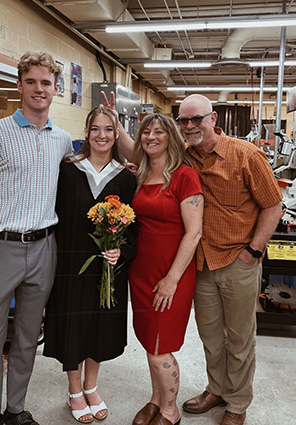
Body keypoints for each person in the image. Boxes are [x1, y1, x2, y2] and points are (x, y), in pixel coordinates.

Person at [102, 92, 282, 425]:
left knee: (239, 338)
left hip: (237, 259)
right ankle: (217, 389)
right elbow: (143, 150)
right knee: (212, 337)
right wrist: (114, 120)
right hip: (200, 263)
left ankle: (237, 403)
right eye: (184, 120)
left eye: (196, 119)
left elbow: (273, 205)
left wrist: (253, 251)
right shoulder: (185, 156)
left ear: (213, 119)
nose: (189, 125)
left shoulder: (246, 155)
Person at [0, 51, 73, 425]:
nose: (39, 89)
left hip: (44, 248)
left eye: (46, 83)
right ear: (19, 85)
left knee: (27, 336)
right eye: (31, 82)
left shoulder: (63, 141)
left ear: (56, 89)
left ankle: (15, 410)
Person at [103, 107, 203, 425]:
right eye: (146, 131)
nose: (151, 137)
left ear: (170, 137)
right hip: (142, 272)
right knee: (149, 340)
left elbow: (194, 232)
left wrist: (172, 279)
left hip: (171, 273)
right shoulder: (142, 174)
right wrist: (117, 127)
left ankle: (170, 411)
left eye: (159, 131)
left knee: (162, 347)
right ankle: (156, 399)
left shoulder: (185, 176)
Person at [43, 105, 137, 424]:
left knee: (99, 326)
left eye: (108, 129)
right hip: (70, 263)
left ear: (116, 134)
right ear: (86, 132)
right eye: (95, 129)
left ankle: (91, 385)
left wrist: (120, 252)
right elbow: (46, 207)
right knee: (73, 326)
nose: (102, 135)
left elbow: (134, 227)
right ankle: (74, 390)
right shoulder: (68, 169)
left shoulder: (124, 177)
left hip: (106, 268)